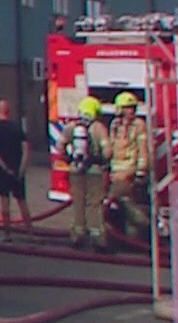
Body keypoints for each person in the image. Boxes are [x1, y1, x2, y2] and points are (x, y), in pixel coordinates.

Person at [65, 96, 111, 251]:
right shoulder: (99, 128)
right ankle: (97, 238)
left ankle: (77, 236)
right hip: (94, 171)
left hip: (75, 170)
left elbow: (60, 146)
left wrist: (70, 159)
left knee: (78, 202)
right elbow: (107, 152)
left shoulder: (71, 126)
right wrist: (103, 162)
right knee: (94, 204)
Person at [0, 98, 31, 240]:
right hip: (17, 169)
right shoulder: (17, 128)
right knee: (22, 202)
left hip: (3, 171)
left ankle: (7, 235)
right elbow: (26, 148)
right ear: (8, 112)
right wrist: (22, 168)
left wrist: (4, 167)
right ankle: (30, 234)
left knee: (5, 203)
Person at [107, 90, 152, 236]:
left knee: (123, 202)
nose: (131, 111)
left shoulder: (138, 125)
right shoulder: (115, 125)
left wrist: (141, 171)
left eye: (132, 108)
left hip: (129, 171)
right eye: (127, 108)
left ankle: (142, 225)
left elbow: (143, 149)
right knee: (121, 206)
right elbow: (111, 146)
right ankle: (128, 235)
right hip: (115, 170)